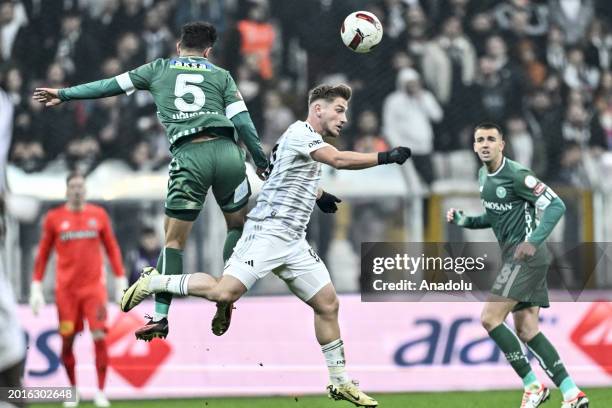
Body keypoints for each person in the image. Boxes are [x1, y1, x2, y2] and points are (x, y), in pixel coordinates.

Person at [121, 84, 411, 407]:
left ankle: (340, 382)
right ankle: (154, 281)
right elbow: (339, 160)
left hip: (293, 241)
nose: (344, 118)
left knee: (328, 304)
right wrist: (386, 156)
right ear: (318, 109)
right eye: (339, 109)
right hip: (266, 232)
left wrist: (318, 195)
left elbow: (279, 174)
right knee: (223, 292)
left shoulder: (302, 140)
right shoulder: (302, 133)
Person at [32, 21, 269, 342]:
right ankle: (228, 291)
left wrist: (65, 93)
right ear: (208, 51)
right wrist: (260, 159)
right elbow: (243, 121)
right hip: (229, 153)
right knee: (235, 226)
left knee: (173, 242)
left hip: (191, 154)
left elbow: (108, 85)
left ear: (178, 45)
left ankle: (160, 317)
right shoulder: (221, 75)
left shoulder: (157, 69)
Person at [446, 123, 589, 408]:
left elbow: (556, 205)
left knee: (489, 318)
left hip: (526, 257)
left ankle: (532, 385)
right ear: (474, 147)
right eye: (480, 140)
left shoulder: (517, 174)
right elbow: (494, 217)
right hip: (518, 256)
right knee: (527, 330)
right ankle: (572, 392)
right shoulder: (483, 175)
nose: (485, 144)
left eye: (491, 139)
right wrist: (466, 221)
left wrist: (533, 242)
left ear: (502, 144)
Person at [29, 172, 127, 407]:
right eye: (72, 186)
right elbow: (43, 254)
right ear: (66, 190)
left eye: (80, 186)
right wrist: (36, 286)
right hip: (66, 293)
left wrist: (120, 278)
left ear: (86, 189)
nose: (77, 190)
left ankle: (100, 392)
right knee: (66, 340)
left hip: (94, 290)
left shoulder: (98, 215)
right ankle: (73, 390)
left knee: (100, 337)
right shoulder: (54, 218)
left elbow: (112, 247)